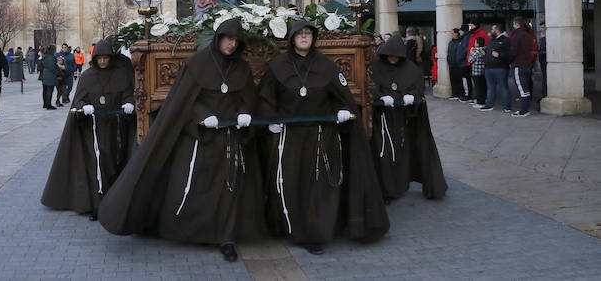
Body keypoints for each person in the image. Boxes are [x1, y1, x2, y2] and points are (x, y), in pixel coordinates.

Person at [98, 19, 267, 263]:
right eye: (228, 39)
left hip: (230, 141)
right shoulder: (197, 64)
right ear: (218, 38)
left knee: (230, 190)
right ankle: (196, 232)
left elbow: (248, 97)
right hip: (200, 138)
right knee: (198, 187)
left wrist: (245, 112)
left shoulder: (241, 68)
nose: (232, 44)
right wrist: (201, 116)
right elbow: (183, 102)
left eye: (236, 41)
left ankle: (226, 237)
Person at [257, 19, 388, 255]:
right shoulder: (278, 66)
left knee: (317, 185)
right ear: (293, 38)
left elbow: (341, 96)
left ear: (313, 37)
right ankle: (289, 226)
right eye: (300, 34)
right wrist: (271, 120)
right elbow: (266, 98)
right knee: (290, 182)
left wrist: (340, 110)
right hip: (291, 136)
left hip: (320, 135)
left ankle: (314, 232)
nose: (305, 37)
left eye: (308, 33)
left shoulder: (326, 66)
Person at [42, 38, 136, 218]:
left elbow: (127, 93)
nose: (102, 61)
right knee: (97, 164)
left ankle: (114, 202)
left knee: (115, 162)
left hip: (116, 128)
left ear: (110, 58)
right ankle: (97, 202)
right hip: (93, 130)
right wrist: (83, 105)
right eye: (99, 58)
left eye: (105, 58)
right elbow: (78, 99)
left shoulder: (120, 75)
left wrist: (129, 102)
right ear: (94, 59)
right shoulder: (87, 77)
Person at [370, 35, 447, 202]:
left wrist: (412, 95)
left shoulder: (410, 67)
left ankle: (400, 183)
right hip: (384, 118)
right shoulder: (376, 66)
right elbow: (371, 85)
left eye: (396, 56)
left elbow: (417, 86)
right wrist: (380, 97)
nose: (393, 59)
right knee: (385, 152)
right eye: (390, 55)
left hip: (404, 118)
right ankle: (387, 188)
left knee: (403, 152)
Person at [479, 24, 511, 112]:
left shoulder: (506, 40)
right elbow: (489, 51)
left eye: (492, 29)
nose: (491, 31)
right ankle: (489, 104)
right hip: (489, 68)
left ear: (497, 30)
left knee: (503, 87)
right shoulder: (492, 40)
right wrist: (484, 53)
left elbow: (509, 55)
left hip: (500, 68)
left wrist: (499, 55)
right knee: (490, 87)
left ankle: (507, 106)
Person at [509, 16, 534, 117]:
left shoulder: (517, 36)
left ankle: (523, 110)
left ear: (516, 24)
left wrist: (509, 61)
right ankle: (525, 108)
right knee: (525, 88)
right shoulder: (528, 35)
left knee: (521, 89)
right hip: (527, 64)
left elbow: (513, 52)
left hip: (518, 65)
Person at [464, 22, 489, 104]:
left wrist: (472, 52)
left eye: (471, 25)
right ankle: (478, 98)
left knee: (479, 86)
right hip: (479, 68)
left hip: (476, 69)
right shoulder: (472, 35)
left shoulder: (481, 34)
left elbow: (471, 58)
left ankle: (480, 101)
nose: (469, 27)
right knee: (479, 85)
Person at [39, 44, 62, 110]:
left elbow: (40, 66)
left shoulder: (44, 56)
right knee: (50, 90)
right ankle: (48, 105)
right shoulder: (51, 57)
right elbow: (52, 67)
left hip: (45, 74)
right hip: (50, 75)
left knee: (45, 90)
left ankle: (46, 104)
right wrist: (58, 73)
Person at [468, 37, 487, 107]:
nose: (474, 43)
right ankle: (482, 100)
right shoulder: (485, 49)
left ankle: (480, 102)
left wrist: (471, 52)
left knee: (478, 88)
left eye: (475, 42)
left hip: (476, 72)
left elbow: (470, 60)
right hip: (483, 71)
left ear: (478, 43)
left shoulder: (476, 51)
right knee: (483, 87)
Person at [446, 28, 464, 100]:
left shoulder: (460, 42)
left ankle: (460, 94)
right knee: (452, 80)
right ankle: (454, 94)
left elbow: (461, 53)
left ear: (456, 34)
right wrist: (448, 60)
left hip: (458, 64)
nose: (451, 34)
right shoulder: (450, 42)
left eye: (452, 33)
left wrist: (458, 61)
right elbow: (449, 52)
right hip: (451, 64)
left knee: (459, 80)